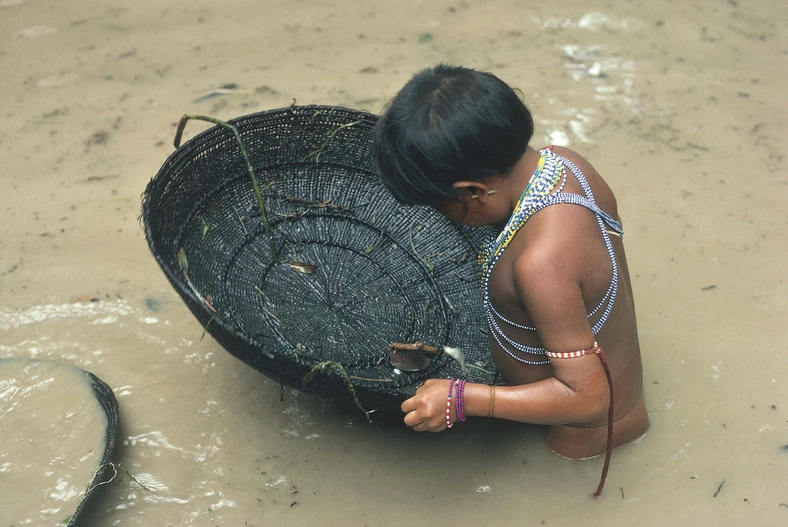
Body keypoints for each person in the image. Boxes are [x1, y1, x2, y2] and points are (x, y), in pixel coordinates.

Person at [373, 64, 649, 496]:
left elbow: (591, 397)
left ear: (474, 192)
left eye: (440, 205)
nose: (438, 215)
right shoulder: (566, 164)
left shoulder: (540, 265)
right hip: (609, 406)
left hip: (580, 438)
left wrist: (466, 398)